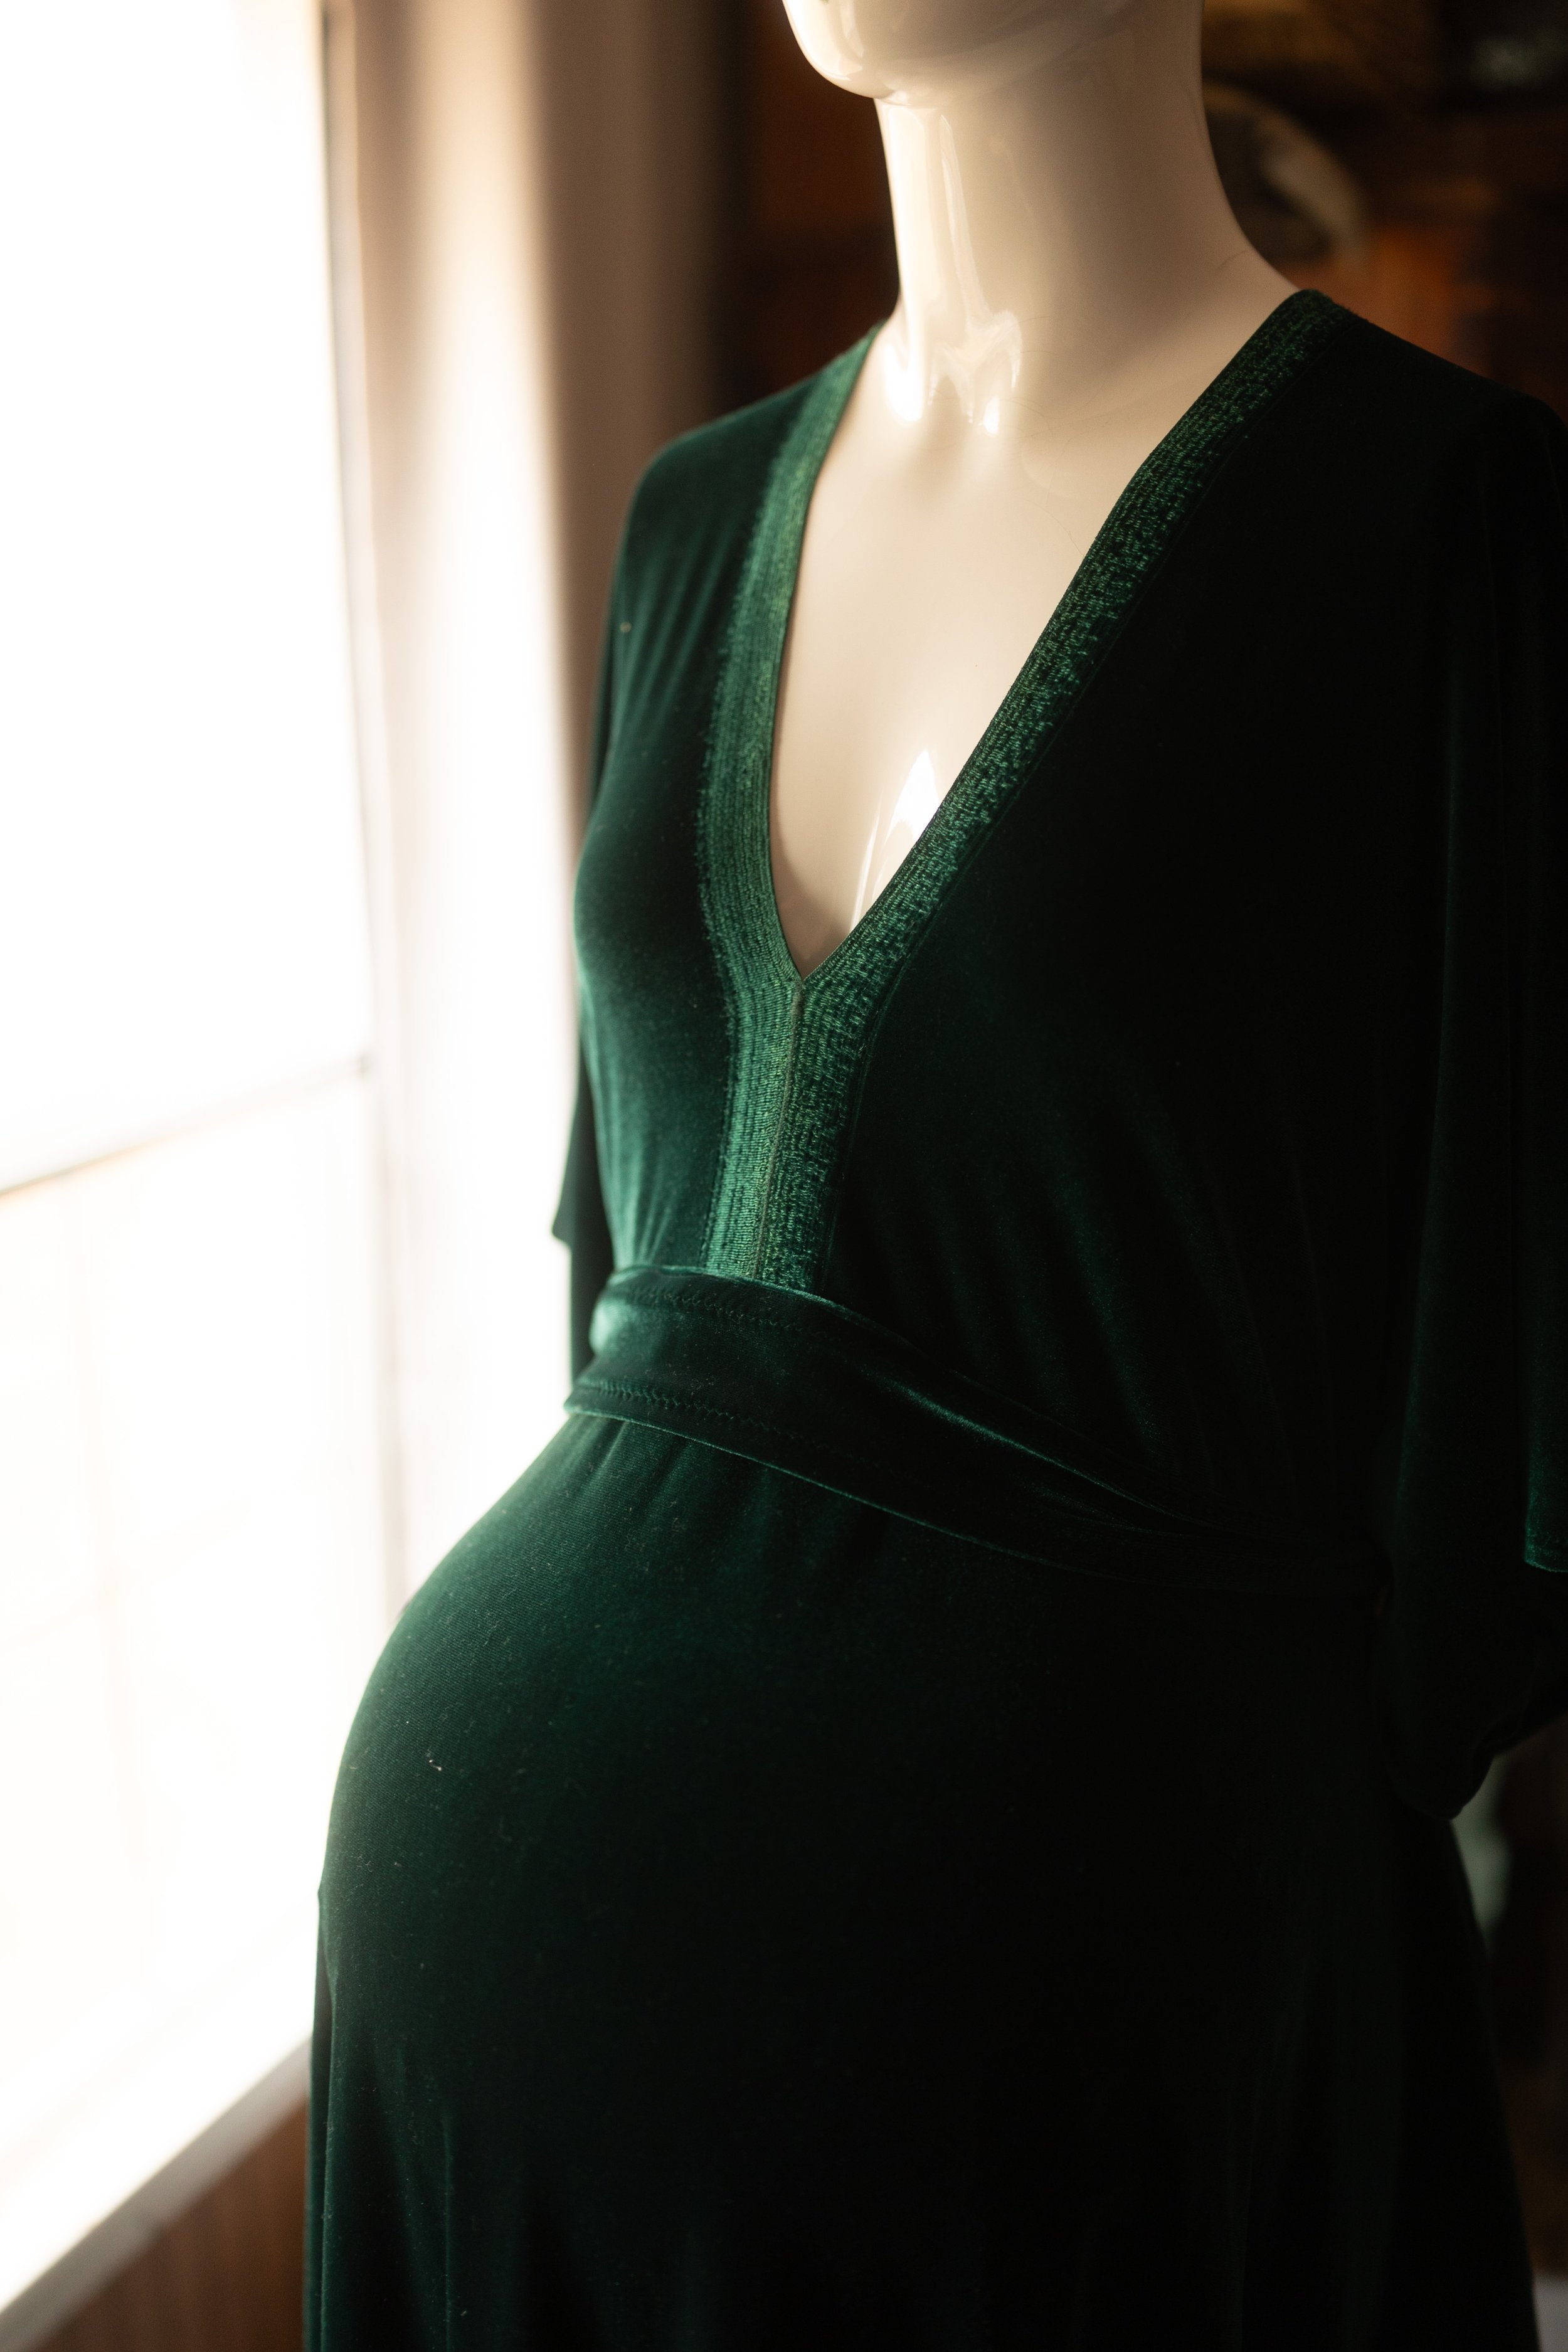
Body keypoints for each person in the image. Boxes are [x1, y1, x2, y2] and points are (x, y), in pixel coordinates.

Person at [307, 0, 1568, 2342]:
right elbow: (642, 1282)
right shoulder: (693, 517)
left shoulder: (1458, 537)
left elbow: (1499, 1468)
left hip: (1082, 2067)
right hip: (496, 2054)